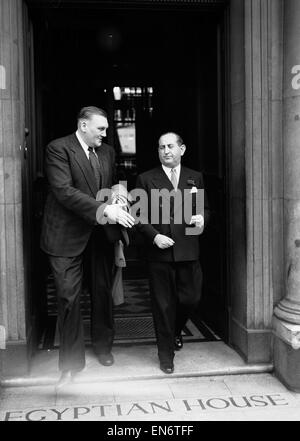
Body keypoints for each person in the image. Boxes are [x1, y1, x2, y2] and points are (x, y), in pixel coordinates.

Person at [40, 106, 135, 386]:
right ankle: (71, 364)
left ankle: (104, 347)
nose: (106, 134)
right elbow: (64, 192)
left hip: (100, 236)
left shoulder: (106, 152)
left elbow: (112, 182)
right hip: (65, 236)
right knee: (68, 297)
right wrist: (106, 211)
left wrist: (119, 196)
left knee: (102, 291)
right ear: (83, 126)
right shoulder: (58, 149)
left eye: (106, 129)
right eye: (101, 129)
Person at [134, 132, 209, 374]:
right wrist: (154, 236)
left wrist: (202, 219)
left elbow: (205, 209)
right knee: (162, 306)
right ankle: (165, 354)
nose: (165, 151)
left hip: (188, 250)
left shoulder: (195, 177)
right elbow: (138, 215)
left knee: (191, 298)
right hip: (160, 254)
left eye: (170, 146)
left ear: (182, 149)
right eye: (161, 147)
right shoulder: (146, 179)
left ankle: (176, 330)